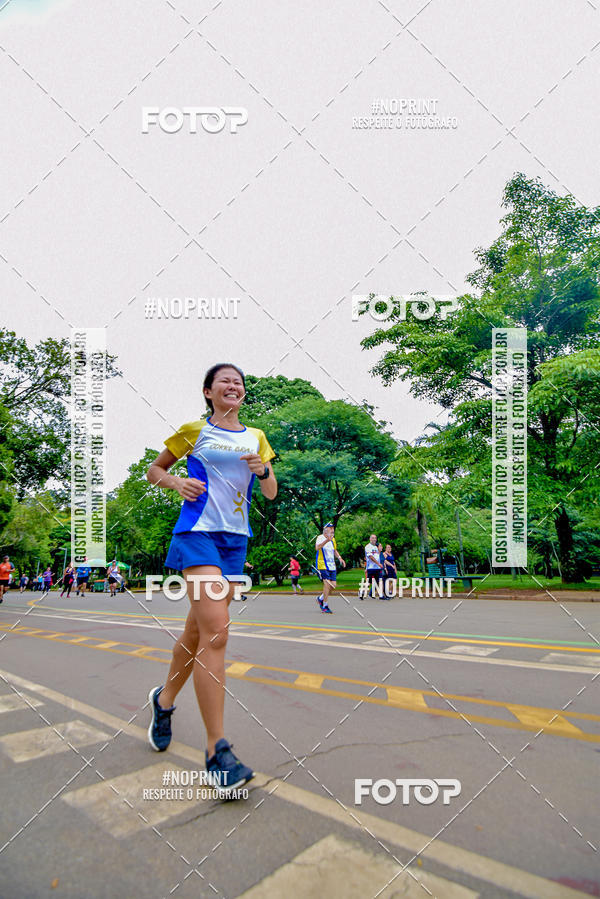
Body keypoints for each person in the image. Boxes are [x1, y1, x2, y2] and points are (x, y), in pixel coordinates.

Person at [145, 363, 277, 797]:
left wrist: (262, 471)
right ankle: (216, 752)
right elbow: (154, 469)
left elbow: (272, 490)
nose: (233, 387)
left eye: (239, 382)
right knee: (217, 633)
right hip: (197, 533)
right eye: (225, 382)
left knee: (198, 629)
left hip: (234, 542)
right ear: (208, 392)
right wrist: (175, 482)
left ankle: (163, 703)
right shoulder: (192, 431)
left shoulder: (256, 436)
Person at [315, 523, 345, 613]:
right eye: (330, 528)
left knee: (333, 586)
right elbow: (317, 548)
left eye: (332, 528)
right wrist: (326, 541)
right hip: (322, 564)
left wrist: (340, 558)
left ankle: (320, 598)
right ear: (325, 530)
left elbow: (334, 550)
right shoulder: (320, 537)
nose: (332, 530)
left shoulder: (333, 539)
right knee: (327, 584)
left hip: (332, 565)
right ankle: (325, 605)